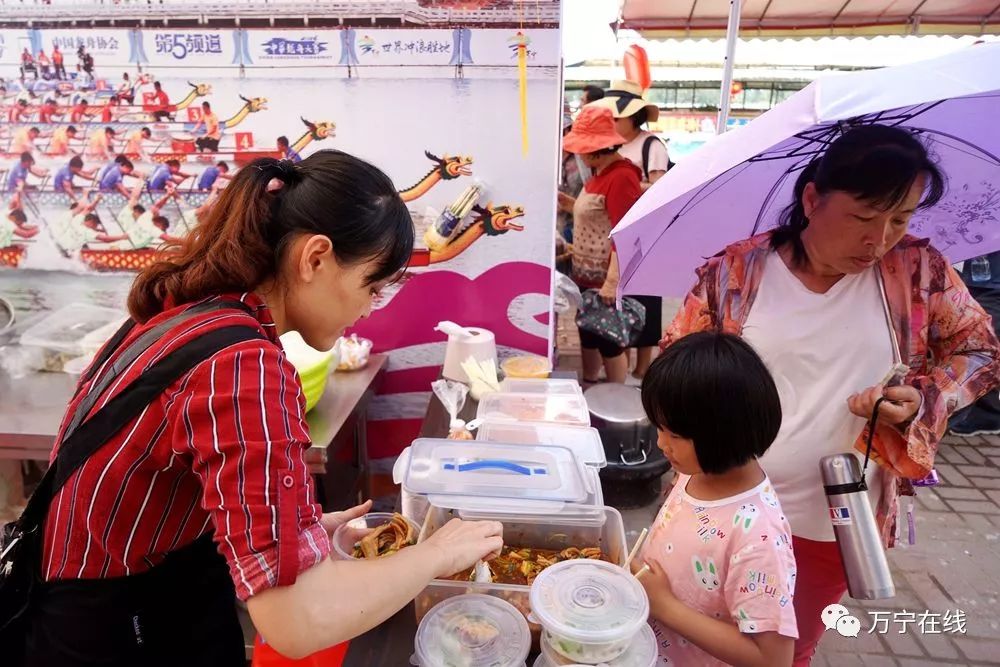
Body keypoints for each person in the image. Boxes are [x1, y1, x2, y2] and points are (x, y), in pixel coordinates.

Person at [23, 150, 504, 666]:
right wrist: (437, 555)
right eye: (371, 286)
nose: (367, 308)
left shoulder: (193, 314)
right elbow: (295, 623)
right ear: (315, 258)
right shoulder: (244, 367)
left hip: (106, 597)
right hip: (114, 633)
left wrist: (296, 531)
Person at [662, 124, 1000, 666]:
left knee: (785, 650)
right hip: (717, 505)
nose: (880, 238)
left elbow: (981, 351)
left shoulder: (918, 273)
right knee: (692, 632)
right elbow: (674, 366)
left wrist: (923, 397)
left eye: (901, 218)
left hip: (832, 517)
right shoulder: (736, 274)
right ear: (813, 198)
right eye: (864, 217)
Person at [637, 331, 796, 666]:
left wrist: (664, 605)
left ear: (723, 434)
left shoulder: (757, 536)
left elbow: (773, 659)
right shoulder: (697, 470)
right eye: (659, 427)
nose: (661, 443)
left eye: (675, 434)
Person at [561, 104, 643, 384]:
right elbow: (598, 215)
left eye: (582, 147)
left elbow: (626, 231)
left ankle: (615, 398)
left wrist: (613, 281)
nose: (578, 153)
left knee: (609, 339)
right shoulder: (599, 174)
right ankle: (590, 384)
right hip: (586, 273)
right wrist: (569, 204)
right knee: (588, 332)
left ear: (596, 148)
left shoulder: (622, 176)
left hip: (604, 278)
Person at [594, 80, 669, 383]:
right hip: (620, 233)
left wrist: (625, 187)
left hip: (646, 237)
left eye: (617, 118)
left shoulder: (652, 145)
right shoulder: (618, 146)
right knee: (622, 300)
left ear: (633, 117)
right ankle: (623, 364)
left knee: (646, 300)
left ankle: (642, 368)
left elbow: (663, 190)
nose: (612, 123)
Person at [949, 251, 1000, 436]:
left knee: (983, 345)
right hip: (970, 279)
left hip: (993, 285)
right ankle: (988, 414)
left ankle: (986, 414)